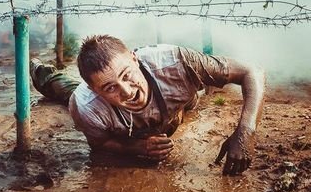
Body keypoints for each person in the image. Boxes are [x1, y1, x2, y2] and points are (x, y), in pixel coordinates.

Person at [30, 35, 265, 175]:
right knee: (65, 90)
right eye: (110, 88)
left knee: (191, 101)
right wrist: (136, 148)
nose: (128, 91)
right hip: (111, 116)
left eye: (127, 75)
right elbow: (100, 144)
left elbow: (251, 71)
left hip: (176, 101)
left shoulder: (177, 63)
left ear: (135, 58)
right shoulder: (88, 104)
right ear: (96, 90)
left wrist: (246, 131)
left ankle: (178, 108)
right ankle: (42, 72)